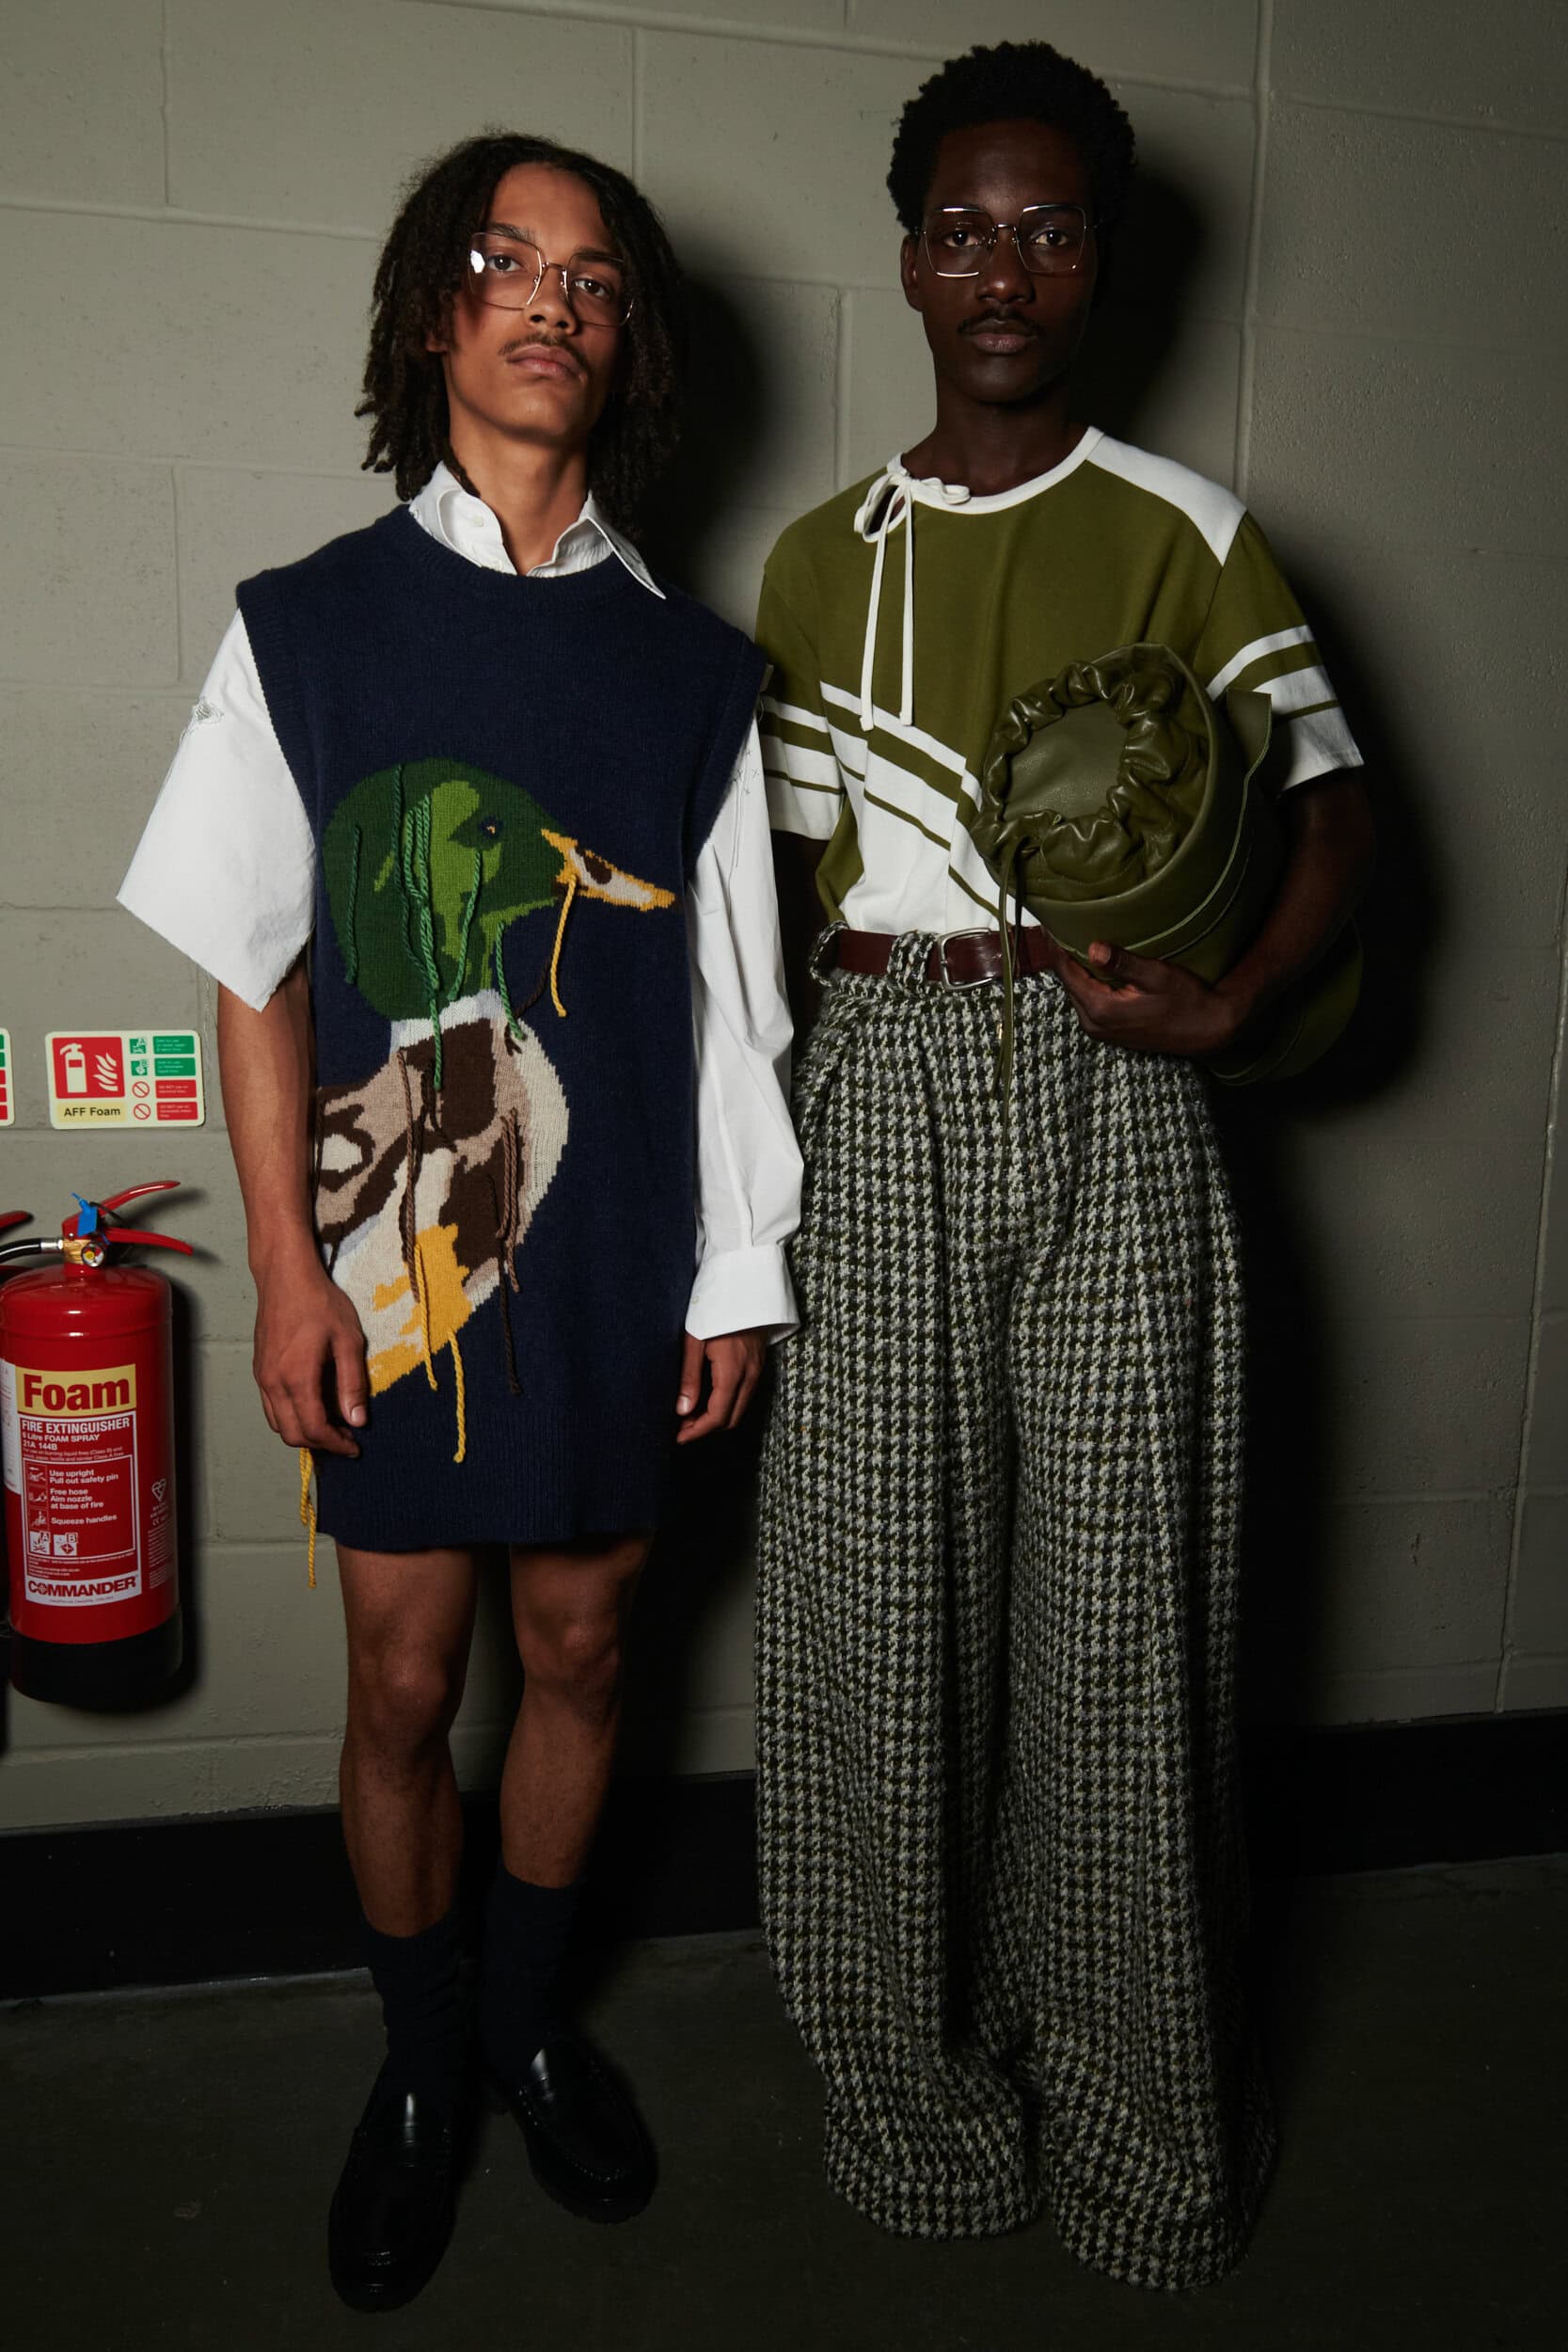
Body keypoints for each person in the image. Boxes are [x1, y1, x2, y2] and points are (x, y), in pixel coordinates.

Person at [119, 131, 800, 2312]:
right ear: (438, 311)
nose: (550, 301)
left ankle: (523, 2022)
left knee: (586, 1649)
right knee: (408, 1672)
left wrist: (736, 1271)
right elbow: (253, 967)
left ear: (629, 344)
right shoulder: (306, 627)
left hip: (621, 1245)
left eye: (594, 280)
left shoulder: (694, 668)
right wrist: (287, 1266)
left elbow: (733, 1006)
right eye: (509, 262)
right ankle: (422, 2065)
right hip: (388, 1245)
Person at [755, 42, 1373, 2292]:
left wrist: (1230, 1003)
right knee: (872, 1614)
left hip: (1110, 1077)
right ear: (909, 261)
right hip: (877, 1079)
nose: (1001, 270)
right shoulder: (818, 559)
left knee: (1119, 1616)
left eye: (1047, 230)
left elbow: (1339, 816)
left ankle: (1139, 2136)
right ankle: (917, 2107)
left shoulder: (1186, 527)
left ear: (1103, 265)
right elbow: (775, 911)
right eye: (962, 229)